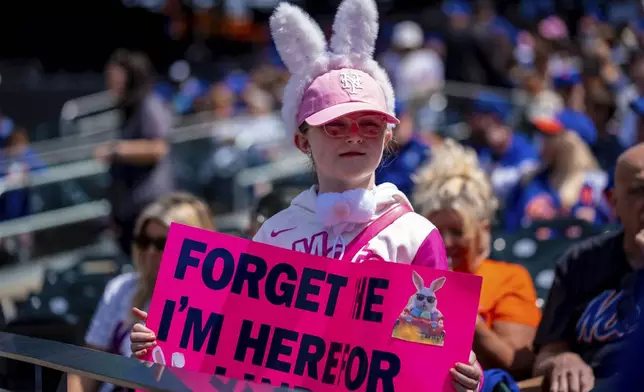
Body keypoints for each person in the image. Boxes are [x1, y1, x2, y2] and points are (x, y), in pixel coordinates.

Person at [129, 0, 483, 390]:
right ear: (302, 141)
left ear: (387, 136)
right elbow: (230, 349)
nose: (354, 134)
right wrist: (168, 343)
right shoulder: (275, 234)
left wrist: (461, 375)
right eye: (334, 125)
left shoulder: (417, 236)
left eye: (369, 124)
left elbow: (428, 359)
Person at [414, 140, 540, 379]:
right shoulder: (415, 277)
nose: (446, 242)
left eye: (457, 232)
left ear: (482, 231)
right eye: (436, 231)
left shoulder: (508, 278)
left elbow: (519, 363)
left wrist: (457, 311)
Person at [67, 192, 215, 392]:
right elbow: (85, 368)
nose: (151, 252)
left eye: (163, 243)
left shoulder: (217, 305)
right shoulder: (122, 289)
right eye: (144, 241)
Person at [532, 143, 644, 392]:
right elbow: (547, 353)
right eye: (639, 191)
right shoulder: (580, 262)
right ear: (613, 201)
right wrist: (561, 359)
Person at [94, 49, 175, 257]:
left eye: (115, 76)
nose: (110, 82)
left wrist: (116, 149)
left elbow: (158, 148)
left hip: (150, 208)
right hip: (129, 211)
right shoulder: (127, 109)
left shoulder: (149, 105)